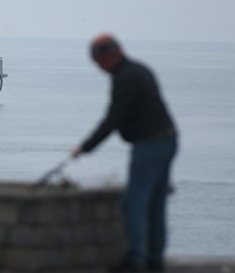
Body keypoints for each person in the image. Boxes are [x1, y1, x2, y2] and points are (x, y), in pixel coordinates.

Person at [71, 34, 178, 272]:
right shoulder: (139, 70)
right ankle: (155, 261)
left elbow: (112, 119)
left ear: (108, 57)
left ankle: (136, 261)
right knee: (156, 205)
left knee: (134, 204)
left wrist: (85, 148)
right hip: (168, 140)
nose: (99, 69)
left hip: (150, 145)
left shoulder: (125, 78)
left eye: (99, 63)